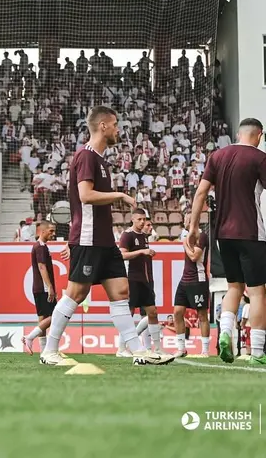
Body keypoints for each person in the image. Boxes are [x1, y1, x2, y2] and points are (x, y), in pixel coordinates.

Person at [39, 106, 173, 366]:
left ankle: (138, 351)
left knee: (121, 292)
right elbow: (86, 196)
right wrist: (120, 195)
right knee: (75, 294)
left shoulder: (100, 159)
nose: (118, 130)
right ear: (103, 126)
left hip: (104, 240)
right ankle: (49, 350)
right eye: (115, 125)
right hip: (88, 238)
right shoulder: (86, 156)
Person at [188, 117, 266, 364]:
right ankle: (257, 352)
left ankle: (224, 334)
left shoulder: (217, 157)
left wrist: (192, 227)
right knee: (256, 293)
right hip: (251, 233)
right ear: (259, 135)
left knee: (234, 286)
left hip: (223, 234)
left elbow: (201, 192)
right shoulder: (259, 158)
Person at [117, 208, 161, 357]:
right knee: (128, 314)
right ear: (132, 219)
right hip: (131, 280)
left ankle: (157, 348)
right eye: (139, 219)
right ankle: (121, 348)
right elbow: (121, 255)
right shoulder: (127, 235)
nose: (142, 222)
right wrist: (141, 252)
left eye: (144, 219)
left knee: (152, 312)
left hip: (145, 280)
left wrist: (148, 253)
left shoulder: (144, 236)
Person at [174, 216, 211, 357]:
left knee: (201, 314)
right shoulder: (187, 235)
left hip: (198, 279)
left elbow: (195, 257)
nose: (187, 221)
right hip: (185, 279)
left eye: (190, 219)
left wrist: (184, 244)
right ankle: (181, 348)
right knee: (177, 312)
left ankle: (205, 350)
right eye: (186, 219)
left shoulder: (202, 236)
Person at [23, 220, 58, 354]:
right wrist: (50, 286)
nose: (53, 234)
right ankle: (30, 337)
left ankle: (44, 352)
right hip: (43, 288)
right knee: (56, 315)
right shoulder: (40, 247)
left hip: (39, 287)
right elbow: (42, 267)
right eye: (51, 231)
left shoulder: (41, 247)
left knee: (43, 318)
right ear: (42, 231)